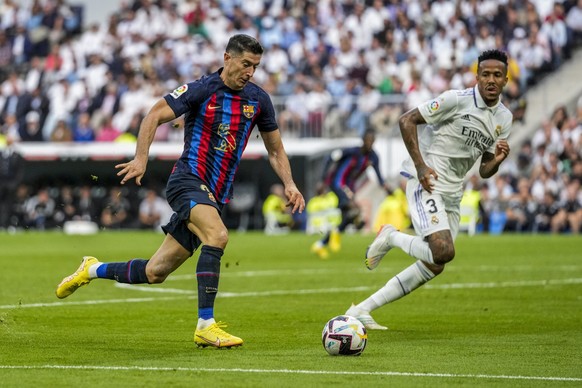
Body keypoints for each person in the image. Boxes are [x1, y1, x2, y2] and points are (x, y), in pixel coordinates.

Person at [56, 34, 305, 348]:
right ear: (228, 58)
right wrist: (141, 158)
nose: (251, 72)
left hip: (215, 195)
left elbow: (275, 150)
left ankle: (91, 269)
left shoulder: (259, 100)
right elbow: (154, 115)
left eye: (255, 66)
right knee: (218, 236)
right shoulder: (201, 89)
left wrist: (290, 184)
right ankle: (206, 324)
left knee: (154, 272)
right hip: (187, 180)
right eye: (246, 64)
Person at [345, 49, 512, 330]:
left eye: (497, 75)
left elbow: (484, 170)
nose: (491, 80)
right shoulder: (455, 100)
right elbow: (406, 120)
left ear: (506, 80)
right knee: (443, 251)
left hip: (453, 192)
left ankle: (363, 308)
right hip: (427, 181)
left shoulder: (504, 119)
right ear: (477, 77)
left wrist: (497, 160)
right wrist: (421, 166)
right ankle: (392, 237)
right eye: (486, 74)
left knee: (435, 263)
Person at [311, 129, 390, 259]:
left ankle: (320, 244)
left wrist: (385, 186)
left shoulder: (373, 157)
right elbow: (329, 158)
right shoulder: (352, 151)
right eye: (368, 140)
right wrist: (322, 180)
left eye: (372, 141)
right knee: (352, 208)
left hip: (350, 188)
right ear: (363, 140)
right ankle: (335, 233)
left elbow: (379, 175)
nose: (370, 143)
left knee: (351, 216)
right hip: (337, 182)